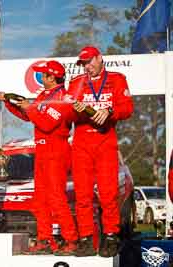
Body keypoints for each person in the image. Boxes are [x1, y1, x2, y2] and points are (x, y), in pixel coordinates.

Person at [0, 60, 78, 255]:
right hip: (41, 150)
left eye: (44, 74)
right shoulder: (44, 95)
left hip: (56, 150)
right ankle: (45, 239)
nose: (41, 77)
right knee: (40, 199)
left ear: (52, 77)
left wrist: (29, 107)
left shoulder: (63, 98)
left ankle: (71, 240)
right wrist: (9, 103)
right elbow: (29, 116)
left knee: (56, 198)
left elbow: (47, 123)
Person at [67, 46, 134, 257]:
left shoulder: (117, 79)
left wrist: (110, 110)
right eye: (83, 64)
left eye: (90, 62)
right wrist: (74, 111)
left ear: (99, 58)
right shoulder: (77, 83)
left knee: (108, 193)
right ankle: (86, 238)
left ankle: (112, 236)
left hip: (105, 141)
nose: (87, 67)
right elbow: (67, 114)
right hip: (81, 143)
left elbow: (127, 108)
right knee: (83, 195)